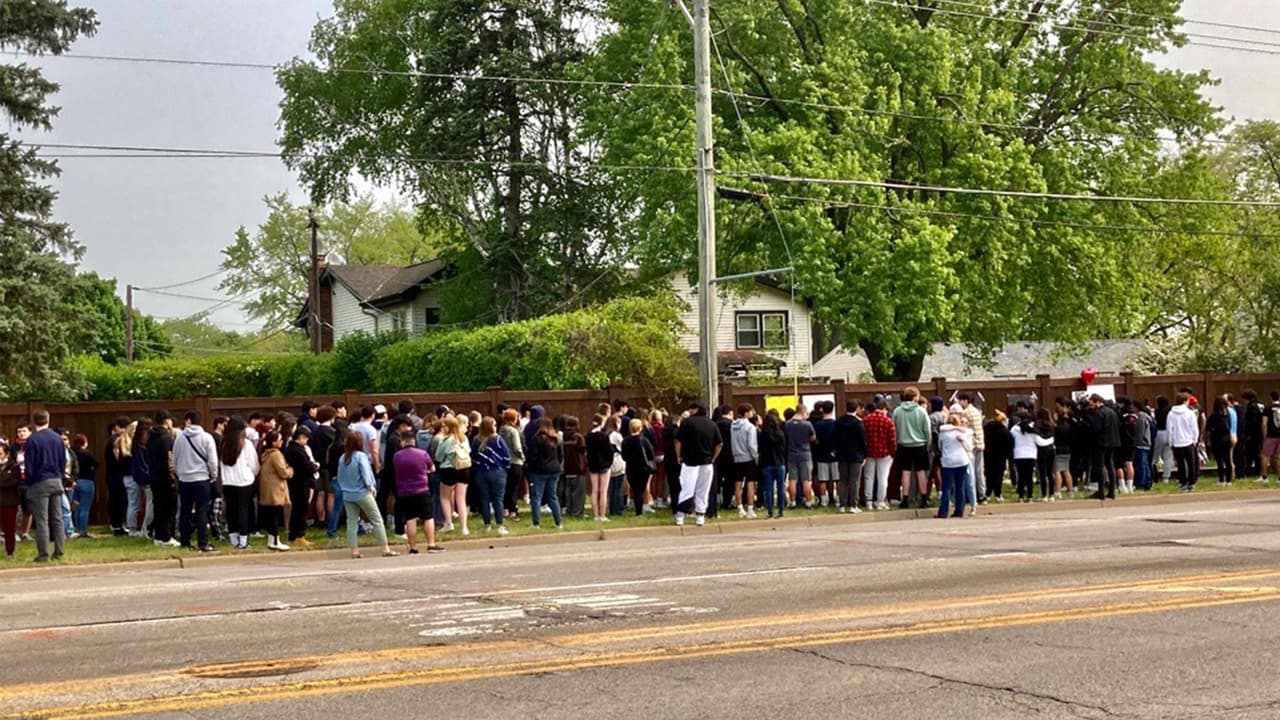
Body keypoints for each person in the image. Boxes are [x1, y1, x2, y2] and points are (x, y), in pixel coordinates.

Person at [334, 432, 397, 558]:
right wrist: (371, 487)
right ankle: (385, 548)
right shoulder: (361, 456)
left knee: (351, 521)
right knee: (377, 519)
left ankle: (354, 550)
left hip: (347, 494)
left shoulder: (343, 457)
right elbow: (365, 474)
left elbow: (340, 477)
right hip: (362, 492)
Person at [23, 410, 66, 562]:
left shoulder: (32, 440)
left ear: (34, 422)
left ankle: (43, 554)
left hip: (39, 481)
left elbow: (29, 465)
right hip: (56, 479)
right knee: (57, 518)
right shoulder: (57, 438)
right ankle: (59, 551)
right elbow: (63, 461)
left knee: (42, 520)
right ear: (48, 419)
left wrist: (29, 481)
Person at [173, 411, 219, 552]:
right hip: (201, 478)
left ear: (188, 421)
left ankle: (185, 541)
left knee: (185, 511)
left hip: (184, 479)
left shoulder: (179, 438)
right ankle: (202, 542)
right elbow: (212, 460)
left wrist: (179, 473)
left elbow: (175, 459)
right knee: (201, 511)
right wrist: (213, 475)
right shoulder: (206, 438)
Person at [674, 401, 722, 527]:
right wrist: (713, 458)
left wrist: (678, 456)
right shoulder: (712, 424)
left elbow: (678, 441)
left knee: (687, 488)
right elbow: (719, 444)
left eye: (690, 409)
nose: (689, 412)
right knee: (703, 489)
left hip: (689, 461)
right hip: (706, 462)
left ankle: (681, 515)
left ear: (695, 409)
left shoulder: (687, 423)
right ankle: (700, 515)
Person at [393, 429, 441, 553]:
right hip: (421, 489)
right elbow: (432, 468)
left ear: (402, 441)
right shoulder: (422, 454)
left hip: (405, 492)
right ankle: (431, 544)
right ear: (413, 440)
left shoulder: (397, 456)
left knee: (410, 518)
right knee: (428, 517)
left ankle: (413, 547)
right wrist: (425, 471)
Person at [219, 418, 259, 550]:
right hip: (244, 481)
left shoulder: (223, 443)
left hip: (228, 482)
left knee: (231, 510)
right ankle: (243, 541)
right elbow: (253, 464)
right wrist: (254, 474)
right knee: (243, 510)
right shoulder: (245, 444)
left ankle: (233, 539)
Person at [892, 387, 932, 509]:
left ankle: (905, 498)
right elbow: (927, 430)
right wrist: (928, 444)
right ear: (915, 397)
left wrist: (896, 443)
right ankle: (923, 498)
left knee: (906, 472)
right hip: (920, 444)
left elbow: (894, 429)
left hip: (903, 445)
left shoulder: (897, 411)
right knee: (921, 472)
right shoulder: (921, 411)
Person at [472, 417, 512, 534]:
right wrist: (505, 467)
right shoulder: (498, 440)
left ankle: (487, 525)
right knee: (498, 499)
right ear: (490, 426)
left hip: (480, 473)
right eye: (494, 424)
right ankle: (500, 525)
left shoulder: (476, 440)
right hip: (497, 472)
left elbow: (473, 457)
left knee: (484, 499)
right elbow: (507, 457)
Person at [147, 411, 179, 548]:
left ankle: (159, 536)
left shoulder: (151, 437)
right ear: (166, 421)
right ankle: (166, 536)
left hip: (154, 476)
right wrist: (173, 477)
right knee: (169, 508)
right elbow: (170, 459)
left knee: (159, 507)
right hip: (166, 478)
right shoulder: (166, 438)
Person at [525, 417, 564, 530]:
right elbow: (560, 456)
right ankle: (558, 522)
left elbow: (532, 457)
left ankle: (536, 523)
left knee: (536, 497)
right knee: (552, 496)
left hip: (539, 471)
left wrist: (529, 468)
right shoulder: (556, 439)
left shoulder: (537, 439)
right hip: (554, 470)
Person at [435, 416, 472, 536]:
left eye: (444, 425)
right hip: (464, 469)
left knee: (444, 497)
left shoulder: (445, 440)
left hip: (449, 469)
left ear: (449, 427)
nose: (443, 428)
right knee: (461, 499)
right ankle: (464, 527)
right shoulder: (464, 438)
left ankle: (448, 523)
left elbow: (438, 457)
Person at [257, 431, 293, 551]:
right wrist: (290, 471)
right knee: (275, 516)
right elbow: (283, 472)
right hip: (276, 489)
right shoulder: (276, 454)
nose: (282, 441)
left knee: (271, 516)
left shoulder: (265, 454)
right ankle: (275, 541)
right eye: (280, 439)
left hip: (267, 489)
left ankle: (272, 540)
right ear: (274, 442)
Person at [283, 427, 317, 547]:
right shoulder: (298, 450)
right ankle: (300, 535)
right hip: (301, 482)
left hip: (293, 482)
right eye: (306, 438)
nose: (307, 441)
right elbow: (307, 466)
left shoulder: (289, 449)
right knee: (302, 509)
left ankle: (292, 535)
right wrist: (314, 467)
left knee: (296, 510)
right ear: (301, 437)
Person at [831, 400, 867, 514]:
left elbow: (834, 437)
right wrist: (864, 455)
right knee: (854, 481)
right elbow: (863, 441)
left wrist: (835, 450)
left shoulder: (838, 422)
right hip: (856, 455)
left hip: (842, 455)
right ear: (856, 409)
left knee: (843, 480)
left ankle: (842, 505)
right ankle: (853, 505)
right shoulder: (858, 423)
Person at [936, 412, 974, 519]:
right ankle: (959, 511)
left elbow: (940, 446)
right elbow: (968, 448)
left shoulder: (942, 433)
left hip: (947, 462)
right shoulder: (962, 432)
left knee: (947, 487)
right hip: (961, 461)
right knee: (959, 486)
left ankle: (943, 511)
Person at [862, 398, 896, 510]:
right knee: (882, 478)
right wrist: (893, 453)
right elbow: (892, 440)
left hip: (869, 452)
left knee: (869, 477)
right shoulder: (887, 421)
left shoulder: (866, 420)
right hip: (884, 453)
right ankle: (880, 501)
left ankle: (869, 501)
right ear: (885, 409)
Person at [620, 419, 656, 517]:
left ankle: (638, 509)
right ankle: (640, 511)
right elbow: (651, 454)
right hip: (643, 468)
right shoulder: (644, 440)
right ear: (640, 428)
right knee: (641, 489)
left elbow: (624, 456)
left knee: (635, 489)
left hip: (631, 468)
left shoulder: (625, 441)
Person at [1088, 395, 1121, 500]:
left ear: (1097, 402)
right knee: (1110, 465)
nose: (1090, 406)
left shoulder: (1099, 413)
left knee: (1100, 466)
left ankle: (1101, 491)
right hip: (1113, 442)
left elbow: (1095, 428)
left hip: (1101, 443)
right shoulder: (1112, 412)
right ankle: (1112, 491)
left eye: (1091, 403)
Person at [783, 405, 816, 509]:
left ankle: (792, 501)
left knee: (793, 480)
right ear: (803, 412)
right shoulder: (807, 424)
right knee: (806, 480)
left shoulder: (787, 424)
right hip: (805, 454)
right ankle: (808, 501)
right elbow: (813, 437)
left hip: (791, 454)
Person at [729, 404, 758, 518]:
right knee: (750, 483)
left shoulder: (733, 426)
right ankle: (750, 508)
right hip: (748, 457)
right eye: (751, 411)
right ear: (746, 413)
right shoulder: (750, 427)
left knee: (738, 483)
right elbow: (751, 444)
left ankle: (739, 507)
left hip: (736, 456)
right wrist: (755, 456)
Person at [311, 406, 338, 528]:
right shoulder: (331, 432)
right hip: (328, 466)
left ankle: (320, 520)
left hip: (317, 465)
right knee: (331, 494)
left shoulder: (315, 431)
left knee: (320, 493)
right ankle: (331, 520)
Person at [1169, 392, 1202, 492]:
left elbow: (1170, 429)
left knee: (1181, 463)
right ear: (1184, 401)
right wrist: (1195, 439)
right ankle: (1191, 483)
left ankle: (1183, 482)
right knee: (1191, 463)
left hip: (1177, 442)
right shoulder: (1189, 413)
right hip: (1189, 441)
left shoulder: (1171, 414)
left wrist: (1171, 442)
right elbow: (1194, 428)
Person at [103, 417, 131, 536]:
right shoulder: (117, 441)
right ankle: (118, 525)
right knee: (118, 501)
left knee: (116, 501)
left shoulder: (111, 441)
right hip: (117, 475)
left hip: (112, 475)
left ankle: (117, 525)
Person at [956, 393, 986, 503]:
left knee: (970, 472)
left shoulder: (966, 413)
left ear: (965, 401)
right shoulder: (976, 411)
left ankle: (971, 495)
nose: (959, 403)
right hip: (980, 443)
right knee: (980, 471)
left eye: (960, 400)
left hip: (971, 445)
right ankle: (982, 495)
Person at [585, 414, 614, 523]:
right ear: (602, 423)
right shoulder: (604, 436)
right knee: (603, 491)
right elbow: (609, 451)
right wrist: (609, 462)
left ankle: (596, 515)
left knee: (594, 490)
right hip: (604, 465)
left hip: (593, 465)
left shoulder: (587, 436)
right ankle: (602, 515)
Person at [758, 414, 787, 518]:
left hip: (766, 464)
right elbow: (784, 448)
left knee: (768, 489)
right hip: (779, 463)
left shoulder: (763, 435)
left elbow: (760, 449)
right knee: (780, 487)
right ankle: (781, 510)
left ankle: (770, 510)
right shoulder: (780, 434)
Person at [127, 418, 153, 537]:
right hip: (146, 478)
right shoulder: (142, 444)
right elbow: (144, 464)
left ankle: (143, 528)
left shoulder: (136, 443)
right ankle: (145, 528)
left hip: (140, 477)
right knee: (149, 504)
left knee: (145, 503)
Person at [498, 409, 525, 521]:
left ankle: (505, 509)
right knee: (514, 488)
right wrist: (523, 457)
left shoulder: (501, 430)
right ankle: (513, 510)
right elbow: (517, 447)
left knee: (506, 487)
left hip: (504, 462)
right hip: (515, 461)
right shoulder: (513, 431)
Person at [70, 434, 98, 540]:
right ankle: (83, 530)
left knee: (76, 507)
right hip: (87, 481)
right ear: (84, 443)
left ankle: (76, 529)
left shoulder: (72, 453)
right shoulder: (87, 454)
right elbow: (96, 464)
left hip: (75, 481)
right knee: (85, 508)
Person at [561, 416, 587, 518]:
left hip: (567, 468)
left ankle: (569, 510)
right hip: (578, 468)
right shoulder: (578, 437)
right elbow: (583, 451)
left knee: (568, 491)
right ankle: (577, 512)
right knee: (578, 492)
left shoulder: (563, 436)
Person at [983, 410, 1011, 502]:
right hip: (1001, 456)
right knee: (999, 475)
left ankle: (987, 493)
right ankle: (998, 494)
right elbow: (1010, 443)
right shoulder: (1004, 431)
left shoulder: (986, 428)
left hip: (988, 455)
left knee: (989, 475)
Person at [1206, 397, 1233, 485]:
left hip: (1217, 439)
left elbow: (1208, 428)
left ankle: (1221, 479)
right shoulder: (1228, 414)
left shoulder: (1214, 415)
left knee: (1219, 460)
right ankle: (1229, 480)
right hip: (1227, 439)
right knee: (1227, 459)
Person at [1, 442, 21, 558]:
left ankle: (10, 552)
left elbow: (13, 482)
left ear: (6, 454)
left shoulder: (14, 466)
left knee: (9, 528)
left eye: (1, 453)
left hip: (9, 501)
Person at [1264, 391, 1280, 484]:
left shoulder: (1268, 408)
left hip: (1271, 435)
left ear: (1270, 397)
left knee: (1265, 455)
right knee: (1278, 457)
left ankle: (1264, 476)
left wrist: (1264, 435)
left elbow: (1264, 423)